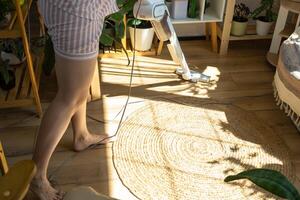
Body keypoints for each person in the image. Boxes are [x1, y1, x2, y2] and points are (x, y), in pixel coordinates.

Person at [31, 0, 119, 199]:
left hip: (70, 7)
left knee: (76, 88)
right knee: (69, 96)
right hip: (76, 9)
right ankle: (36, 176)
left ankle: (81, 135)